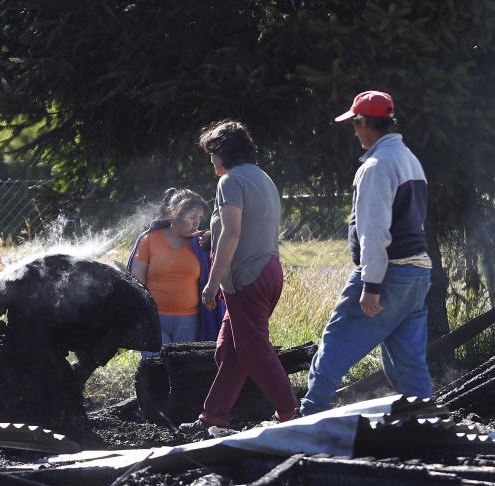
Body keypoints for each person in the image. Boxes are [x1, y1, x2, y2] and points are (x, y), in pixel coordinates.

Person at [300, 91, 432, 415]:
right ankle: (425, 416)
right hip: (417, 274)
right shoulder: (409, 159)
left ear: (364, 123)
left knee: (336, 341)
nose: (355, 132)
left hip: (388, 273)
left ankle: (309, 412)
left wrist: (371, 286)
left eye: (355, 125)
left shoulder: (375, 165)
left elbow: (373, 231)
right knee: (408, 358)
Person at [186, 120, 299, 434]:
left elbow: (233, 233)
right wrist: (215, 233)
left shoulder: (231, 181)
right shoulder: (261, 177)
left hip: (247, 276)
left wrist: (211, 282)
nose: (211, 161)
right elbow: (244, 227)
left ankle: (289, 412)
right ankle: (213, 417)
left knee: (252, 348)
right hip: (269, 271)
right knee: (231, 349)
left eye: (212, 153)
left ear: (223, 153)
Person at [128, 187, 225, 356]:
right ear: (174, 212)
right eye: (192, 217)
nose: (196, 223)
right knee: (156, 371)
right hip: (154, 320)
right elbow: (136, 282)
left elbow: (219, 272)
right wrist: (144, 317)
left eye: (200, 218)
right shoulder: (149, 239)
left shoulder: (202, 244)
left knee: (182, 375)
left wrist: (214, 246)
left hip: (190, 322)